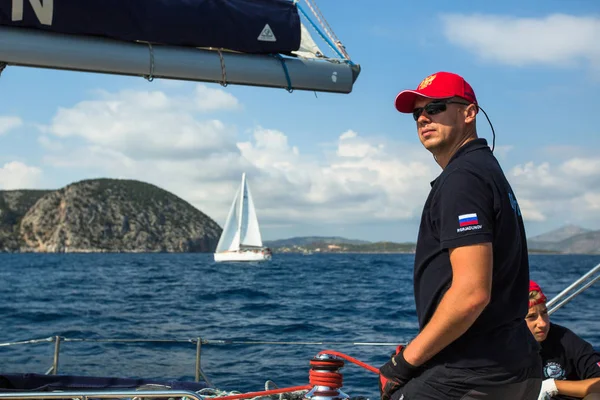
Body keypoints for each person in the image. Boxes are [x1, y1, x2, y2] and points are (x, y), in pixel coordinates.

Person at [378, 71, 542, 399]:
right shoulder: (486, 171)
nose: (423, 117)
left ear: (469, 113)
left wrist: (403, 364)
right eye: (417, 114)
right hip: (516, 367)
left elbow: (471, 293)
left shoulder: (463, 179)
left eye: (436, 107)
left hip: (472, 373)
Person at [527, 280, 600, 400]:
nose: (542, 323)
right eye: (531, 317)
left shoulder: (564, 339)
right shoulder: (500, 349)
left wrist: (553, 386)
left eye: (544, 313)